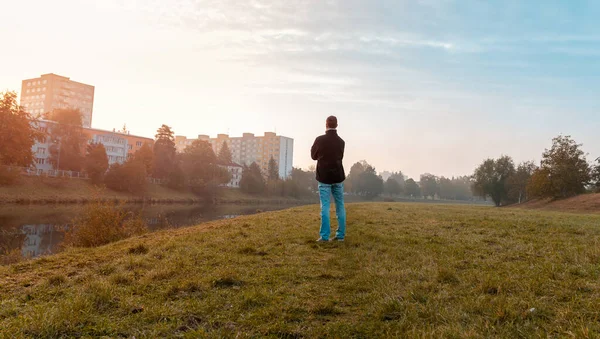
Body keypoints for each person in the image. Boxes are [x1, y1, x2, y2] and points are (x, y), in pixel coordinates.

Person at [311, 116, 346, 242]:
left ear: (326, 124)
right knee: (340, 206)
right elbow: (340, 157)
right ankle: (340, 236)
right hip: (338, 177)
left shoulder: (319, 140)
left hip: (324, 177)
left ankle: (324, 236)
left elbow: (313, 156)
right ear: (337, 125)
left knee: (324, 206)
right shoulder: (341, 142)